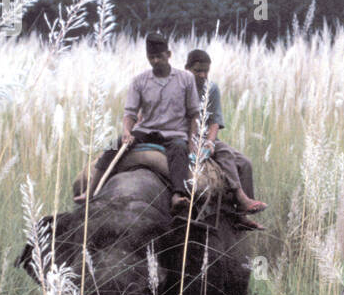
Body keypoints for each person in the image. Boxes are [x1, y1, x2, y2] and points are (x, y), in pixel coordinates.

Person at [77, 32, 200, 212]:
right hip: (146, 130)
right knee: (113, 144)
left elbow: (194, 113)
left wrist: (192, 140)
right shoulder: (139, 81)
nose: (156, 61)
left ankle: (178, 194)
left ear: (168, 55)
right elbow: (130, 113)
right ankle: (91, 190)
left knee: (180, 150)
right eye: (151, 57)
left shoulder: (185, 79)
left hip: (175, 133)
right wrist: (127, 131)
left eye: (159, 56)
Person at [185, 50, 266, 213]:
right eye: (197, 70)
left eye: (206, 71)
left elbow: (215, 120)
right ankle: (239, 195)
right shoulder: (180, 86)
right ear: (187, 68)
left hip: (205, 136)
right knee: (226, 156)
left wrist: (209, 142)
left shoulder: (211, 88)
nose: (202, 75)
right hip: (184, 136)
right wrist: (190, 142)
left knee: (244, 163)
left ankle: (242, 213)